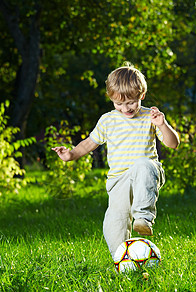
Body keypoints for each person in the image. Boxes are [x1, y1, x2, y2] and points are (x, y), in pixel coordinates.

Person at [52, 64, 180, 259]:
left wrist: (162, 125)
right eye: (118, 104)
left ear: (141, 96)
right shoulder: (107, 120)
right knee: (114, 223)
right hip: (118, 181)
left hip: (146, 173)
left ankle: (143, 218)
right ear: (111, 99)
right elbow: (88, 144)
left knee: (142, 164)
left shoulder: (150, 117)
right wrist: (71, 155)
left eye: (130, 102)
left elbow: (173, 144)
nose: (125, 108)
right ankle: (122, 259)